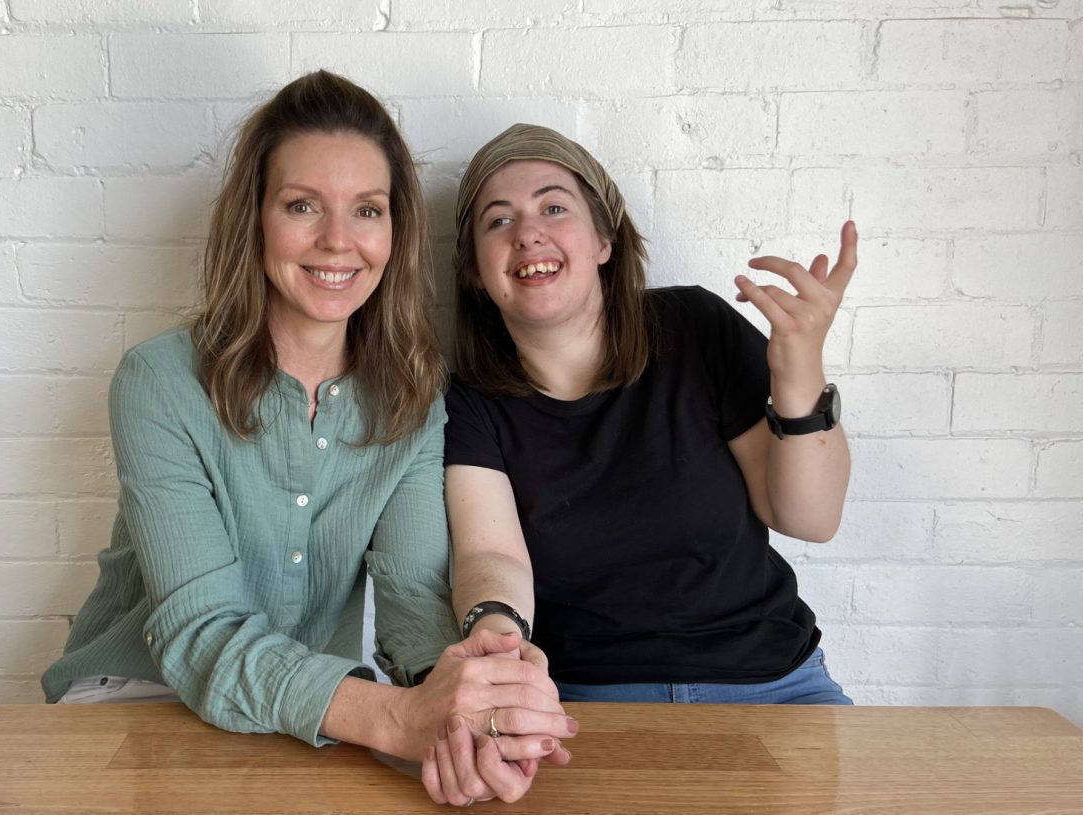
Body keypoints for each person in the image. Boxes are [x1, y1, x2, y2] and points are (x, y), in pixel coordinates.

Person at [41, 76, 575, 801]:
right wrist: (395, 715)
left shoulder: (415, 401)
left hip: (300, 721)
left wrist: (475, 714)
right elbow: (202, 634)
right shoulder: (159, 381)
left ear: (396, 231)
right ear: (255, 220)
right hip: (133, 701)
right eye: (302, 206)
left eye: (367, 210)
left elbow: (416, 606)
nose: (337, 241)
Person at [424, 122, 855, 795]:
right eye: (497, 220)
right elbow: (493, 557)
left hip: (775, 687)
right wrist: (495, 634)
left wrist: (799, 374)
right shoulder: (471, 402)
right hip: (583, 711)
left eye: (553, 207)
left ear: (604, 240)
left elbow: (808, 515)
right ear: (477, 275)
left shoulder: (695, 328)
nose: (527, 232)